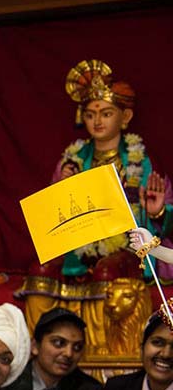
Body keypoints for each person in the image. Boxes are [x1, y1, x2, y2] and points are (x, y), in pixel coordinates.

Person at [54, 59, 170, 278]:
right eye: (90, 115)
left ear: (125, 117)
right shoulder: (72, 160)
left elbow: (166, 214)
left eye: (106, 114)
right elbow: (54, 221)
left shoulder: (142, 161)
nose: (97, 121)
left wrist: (157, 212)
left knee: (107, 270)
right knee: (39, 271)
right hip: (80, 247)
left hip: (128, 245)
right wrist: (62, 190)